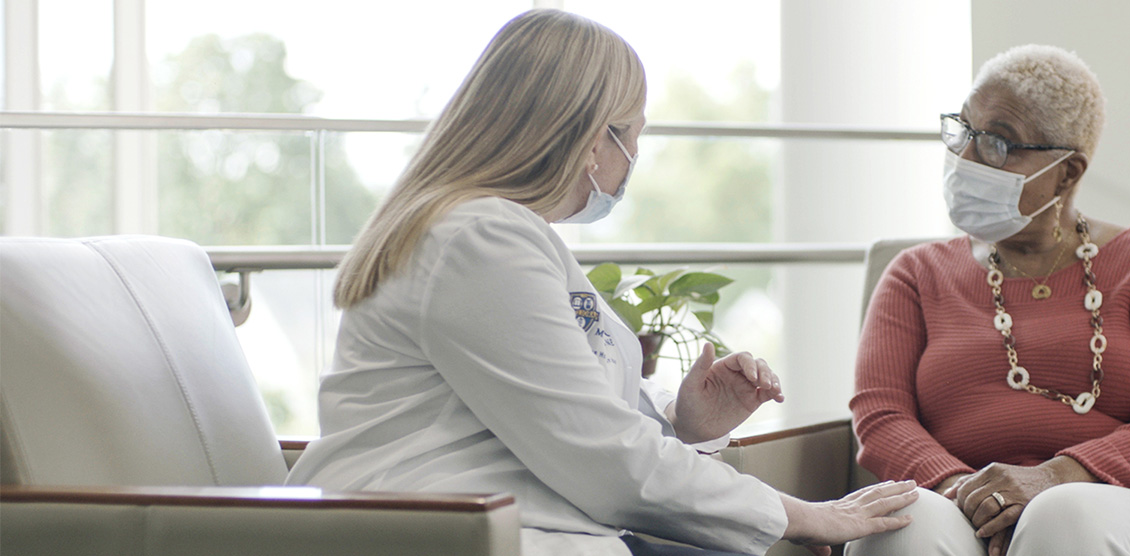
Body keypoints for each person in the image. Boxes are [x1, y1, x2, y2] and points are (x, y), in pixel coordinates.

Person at [285, 10, 917, 556]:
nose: (631, 160)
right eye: (632, 133)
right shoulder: (477, 240)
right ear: (591, 140)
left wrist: (685, 423)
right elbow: (602, 456)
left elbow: (578, 422)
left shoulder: (502, 235)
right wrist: (807, 513)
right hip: (444, 532)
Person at [845, 45, 1130, 556]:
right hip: (959, 503)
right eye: (964, 131)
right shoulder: (916, 274)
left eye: (999, 143)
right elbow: (880, 416)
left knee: (1061, 513)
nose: (965, 158)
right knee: (906, 520)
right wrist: (973, 496)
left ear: (1068, 171)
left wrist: (1050, 480)